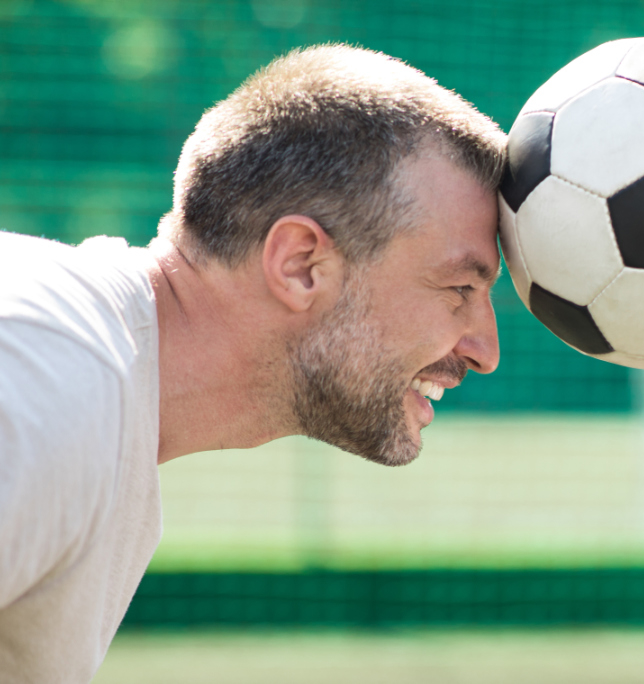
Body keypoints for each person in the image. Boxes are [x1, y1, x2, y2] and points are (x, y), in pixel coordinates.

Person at [0, 44, 505, 682]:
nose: (484, 351)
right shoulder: (50, 379)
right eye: (460, 288)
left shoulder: (95, 389)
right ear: (299, 265)